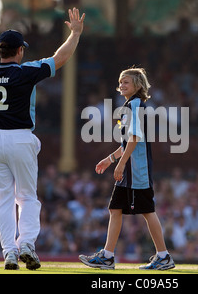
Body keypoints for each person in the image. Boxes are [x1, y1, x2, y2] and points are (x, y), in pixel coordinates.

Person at [0, 6, 85, 270]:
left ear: (0, 50)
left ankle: (9, 252)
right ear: (20, 51)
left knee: (3, 201)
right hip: (21, 138)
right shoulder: (26, 71)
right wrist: (75, 34)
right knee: (27, 198)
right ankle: (27, 245)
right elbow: (60, 58)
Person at [79, 68, 175, 270]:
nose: (122, 85)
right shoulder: (130, 105)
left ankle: (163, 256)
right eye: (120, 82)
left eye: (126, 82)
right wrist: (110, 159)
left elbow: (134, 138)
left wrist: (121, 164)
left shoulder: (135, 105)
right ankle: (108, 256)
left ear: (138, 86)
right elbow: (127, 142)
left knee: (147, 210)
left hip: (136, 170)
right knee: (115, 209)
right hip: (132, 169)